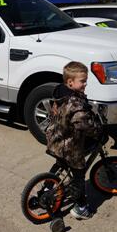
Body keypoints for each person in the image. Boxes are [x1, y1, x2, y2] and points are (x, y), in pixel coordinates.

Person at [45, 61, 103, 220]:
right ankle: (81, 208)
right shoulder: (75, 103)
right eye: (82, 81)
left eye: (86, 80)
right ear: (70, 82)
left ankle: (47, 186)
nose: (85, 84)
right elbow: (83, 124)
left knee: (59, 163)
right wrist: (98, 131)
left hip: (55, 139)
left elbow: (54, 115)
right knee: (79, 177)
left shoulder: (60, 94)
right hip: (70, 146)